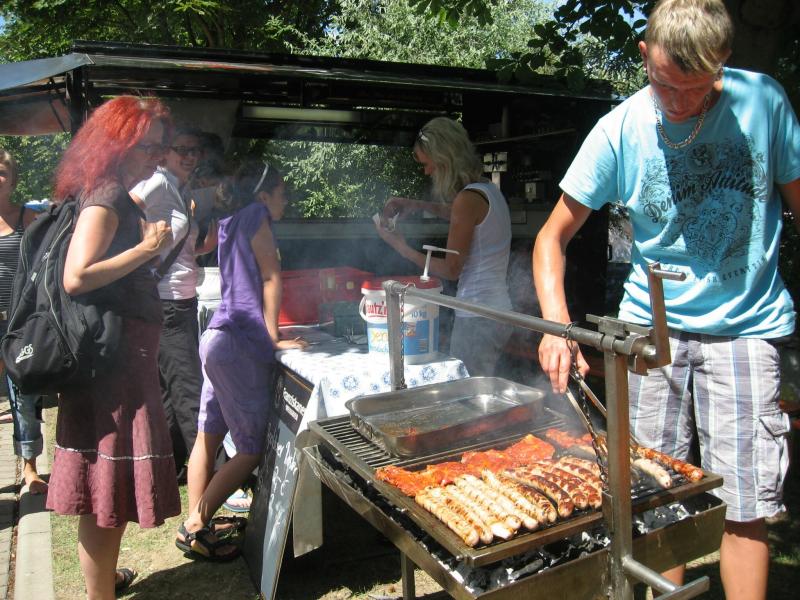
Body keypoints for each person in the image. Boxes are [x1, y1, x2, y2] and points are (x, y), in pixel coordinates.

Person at [532, 1, 800, 598]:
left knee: (745, 506)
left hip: (746, 328)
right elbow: (551, 239)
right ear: (643, 56)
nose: (675, 102)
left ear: (721, 63)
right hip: (649, 338)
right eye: (662, 84)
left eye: (693, 88)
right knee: (653, 500)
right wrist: (556, 326)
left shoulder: (763, 104)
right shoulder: (620, 128)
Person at [45, 96, 181, 599]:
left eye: (162, 149)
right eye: (151, 148)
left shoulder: (114, 194)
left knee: (110, 494)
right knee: (107, 494)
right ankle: (99, 593)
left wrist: (148, 253)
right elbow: (77, 276)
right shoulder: (105, 196)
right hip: (114, 373)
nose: (159, 158)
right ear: (119, 145)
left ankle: (101, 584)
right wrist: (146, 248)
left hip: (121, 366)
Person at [177, 160, 307, 561]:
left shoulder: (229, 221)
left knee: (208, 436)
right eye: (282, 193)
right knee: (250, 449)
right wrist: (273, 337)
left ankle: (199, 527)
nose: (286, 201)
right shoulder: (255, 215)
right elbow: (270, 277)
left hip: (216, 337)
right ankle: (195, 525)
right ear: (264, 195)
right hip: (239, 345)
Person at [375, 117, 513, 376]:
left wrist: (400, 246)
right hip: (497, 311)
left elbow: (451, 270)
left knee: (468, 392)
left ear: (445, 158)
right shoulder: (487, 191)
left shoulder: (468, 199)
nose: (427, 172)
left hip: (477, 315)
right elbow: (460, 214)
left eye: (427, 164)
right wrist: (416, 204)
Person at [134, 127, 218, 482]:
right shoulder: (157, 182)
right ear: (164, 153)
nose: (189, 156)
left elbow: (183, 248)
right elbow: (123, 210)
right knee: (188, 389)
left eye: (194, 150)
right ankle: (212, 476)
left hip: (180, 301)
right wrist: (143, 247)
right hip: (167, 303)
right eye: (181, 149)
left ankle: (170, 464)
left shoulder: (180, 190)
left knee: (169, 390)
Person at [0, 148, 47, 495]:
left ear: (13, 178)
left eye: (2, 171)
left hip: (19, 322)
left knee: (24, 396)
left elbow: (44, 265)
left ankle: (30, 467)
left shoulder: (27, 217)